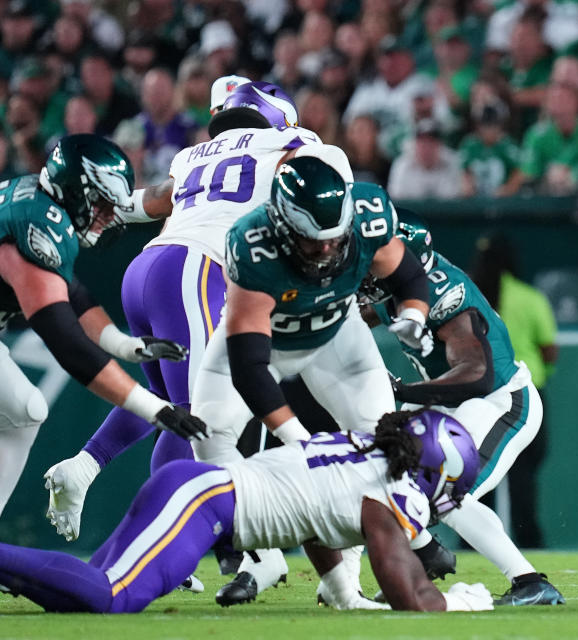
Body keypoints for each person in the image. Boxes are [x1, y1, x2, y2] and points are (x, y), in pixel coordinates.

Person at [43, 81, 349, 544]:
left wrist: (74, 202)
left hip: (145, 269)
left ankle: (87, 471)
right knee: (201, 419)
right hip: (196, 270)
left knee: (169, 406)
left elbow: (148, 203)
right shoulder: (295, 143)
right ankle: (182, 544)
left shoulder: (196, 154)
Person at [191, 155, 433, 606]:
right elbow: (250, 367)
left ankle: (347, 580)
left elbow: (408, 274)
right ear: (283, 228)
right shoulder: (252, 243)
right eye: (312, 241)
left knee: (379, 448)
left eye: (334, 238)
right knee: (209, 439)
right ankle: (263, 557)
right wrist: (298, 441)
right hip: (266, 342)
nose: (327, 250)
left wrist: (414, 314)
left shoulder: (367, 217)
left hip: (336, 338)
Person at [0, 409, 494, 613]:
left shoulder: (361, 451)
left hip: (197, 492)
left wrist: (344, 592)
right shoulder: (394, 490)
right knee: (112, 598)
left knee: (77, 594)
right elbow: (401, 581)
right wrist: (458, 604)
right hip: (203, 504)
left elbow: (317, 519)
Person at [358, 211, 564, 606]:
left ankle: (530, 582)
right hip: (459, 410)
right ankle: (423, 562)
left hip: (502, 402)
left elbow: (477, 375)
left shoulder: (444, 296)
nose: (377, 264)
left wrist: (405, 391)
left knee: (444, 489)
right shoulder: (396, 289)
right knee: (404, 483)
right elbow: (364, 314)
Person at [0, 134, 206, 517]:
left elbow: (71, 293)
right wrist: (153, 408)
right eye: (104, 204)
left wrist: (125, 345)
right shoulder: (35, 225)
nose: (111, 215)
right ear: (78, 191)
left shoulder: (42, 203)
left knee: (26, 410)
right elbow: (67, 343)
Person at [471, 233, 557, 551]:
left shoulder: (471, 297)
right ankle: (529, 543)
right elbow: (549, 349)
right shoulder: (529, 297)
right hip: (526, 395)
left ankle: (475, 544)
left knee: (478, 475)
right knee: (523, 479)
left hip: (479, 395)